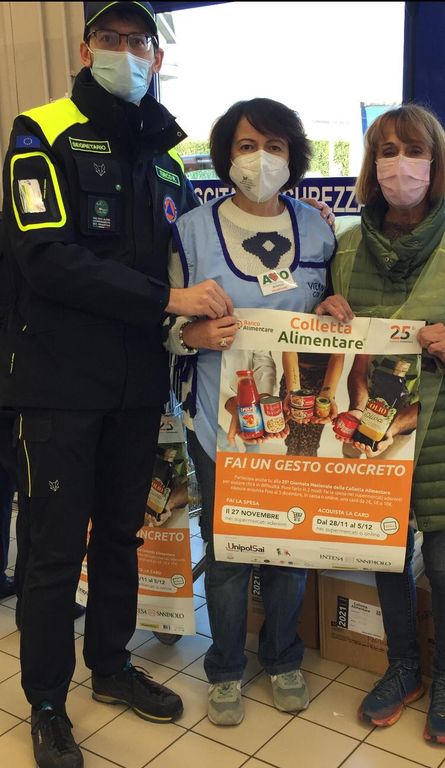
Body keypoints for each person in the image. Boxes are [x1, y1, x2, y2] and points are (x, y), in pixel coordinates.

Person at [0, 3, 233, 767]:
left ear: (156, 58)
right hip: (58, 383)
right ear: (85, 48)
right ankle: (45, 702)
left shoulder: (168, 159)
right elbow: (47, 259)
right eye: (111, 39)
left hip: (138, 386)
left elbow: (191, 266)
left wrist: (199, 322)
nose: (126, 52)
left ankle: (109, 666)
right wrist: (171, 301)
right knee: (53, 551)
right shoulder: (40, 132)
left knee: (123, 540)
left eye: (139, 42)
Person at [164, 97, 338, 726]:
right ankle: (226, 669)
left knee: (291, 544)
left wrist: (332, 312)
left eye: (274, 146)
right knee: (230, 551)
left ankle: (284, 657)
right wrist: (191, 336)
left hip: (297, 421)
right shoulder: (190, 231)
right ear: (225, 156)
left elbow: (330, 309)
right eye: (245, 146)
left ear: (293, 156)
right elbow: (162, 321)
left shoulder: (318, 229)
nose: (260, 159)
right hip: (220, 422)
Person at [316, 103, 445, 744]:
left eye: (414, 150)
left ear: (436, 160)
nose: (401, 164)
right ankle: (404, 666)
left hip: (441, 432)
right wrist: (323, 313)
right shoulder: (346, 247)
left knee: (444, 567)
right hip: (375, 435)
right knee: (385, 555)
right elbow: (335, 347)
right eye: (387, 151)